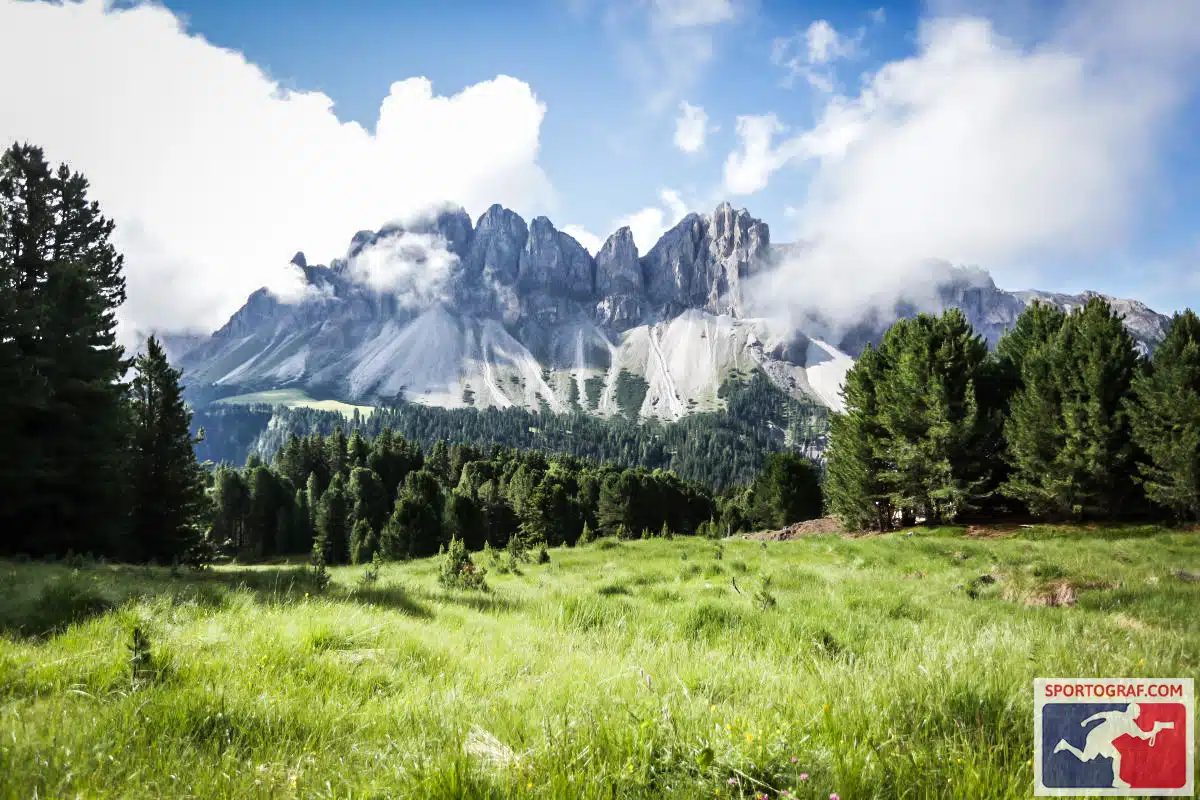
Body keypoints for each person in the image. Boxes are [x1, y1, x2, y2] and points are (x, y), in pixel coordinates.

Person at [1053, 703, 1174, 789]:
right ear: (1131, 711)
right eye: (1137, 712)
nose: (1138, 715)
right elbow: (1101, 714)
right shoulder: (1123, 719)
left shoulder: (1126, 721)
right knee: (1085, 758)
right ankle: (1065, 745)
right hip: (1095, 738)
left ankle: (1116, 780)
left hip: (1102, 740)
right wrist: (1155, 731)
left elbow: (1143, 736)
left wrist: (1155, 731)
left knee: (1116, 756)